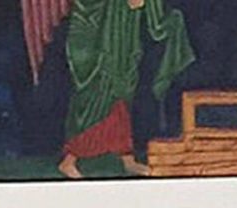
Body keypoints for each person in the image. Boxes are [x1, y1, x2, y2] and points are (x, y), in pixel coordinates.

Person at [55, 0, 195, 179]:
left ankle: (128, 159)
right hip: (100, 37)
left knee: (121, 97)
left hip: (124, 35)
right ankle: (69, 160)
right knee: (98, 95)